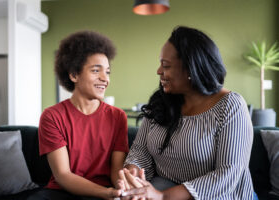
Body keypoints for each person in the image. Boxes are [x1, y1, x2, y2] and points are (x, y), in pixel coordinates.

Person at [118, 26, 257, 200]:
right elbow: (141, 149)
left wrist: (162, 196)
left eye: (166, 65)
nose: (159, 71)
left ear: (191, 69)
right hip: (164, 187)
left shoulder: (231, 106)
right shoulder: (161, 101)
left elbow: (229, 174)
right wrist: (134, 171)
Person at [28, 31, 129, 200]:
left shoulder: (118, 117)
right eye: (96, 70)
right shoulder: (52, 116)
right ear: (74, 75)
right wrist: (107, 193)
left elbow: (115, 172)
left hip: (105, 190)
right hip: (61, 191)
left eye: (108, 72)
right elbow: (63, 175)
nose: (105, 78)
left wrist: (124, 187)